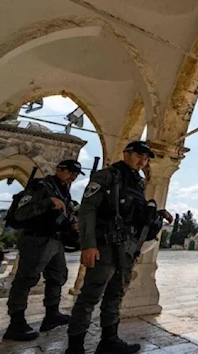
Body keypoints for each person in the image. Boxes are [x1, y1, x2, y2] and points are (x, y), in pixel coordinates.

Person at [66, 141, 173, 354]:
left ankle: (109, 339)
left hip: (126, 249)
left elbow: (134, 213)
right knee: (90, 296)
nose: (142, 160)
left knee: (115, 295)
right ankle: (75, 346)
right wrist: (88, 245)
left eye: (146, 157)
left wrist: (158, 213)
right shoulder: (107, 176)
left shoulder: (137, 183)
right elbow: (88, 210)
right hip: (104, 246)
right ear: (126, 154)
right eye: (138, 155)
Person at [3, 160, 83, 341]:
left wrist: (73, 224)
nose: (73, 177)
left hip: (55, 240)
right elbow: (21, 213)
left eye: (76, 175)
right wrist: (48, 202)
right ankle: (16, 322)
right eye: (70, 172)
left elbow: (63, 215)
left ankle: (51, 314)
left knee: (58, 275)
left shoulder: (63, 190)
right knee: (26, 279)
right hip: (36, 239)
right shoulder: (41, 187)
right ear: (59, 170)